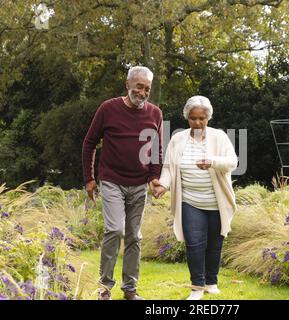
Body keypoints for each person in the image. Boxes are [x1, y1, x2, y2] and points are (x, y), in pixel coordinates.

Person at [82, 66, 163, 300]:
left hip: (139, 183)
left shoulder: (155, 113)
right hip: (112, 180)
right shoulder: (108, 108)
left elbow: (157, 149)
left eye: (147, 89)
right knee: (115, 229)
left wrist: (154, 177)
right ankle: (104, 288)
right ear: (127, 84)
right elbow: (89, 143)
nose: (143, 92)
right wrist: (89, 178)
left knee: (134, 236)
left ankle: (130, 290)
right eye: (139, 87)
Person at [152, 95, 238, 300]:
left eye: (202, 118)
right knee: (194, 242)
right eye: (193, 118)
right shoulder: (178, 139)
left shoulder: (219, 137)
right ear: (187, 118)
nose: (198, 122)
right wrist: (163, 185)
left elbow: (232, 161)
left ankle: (211, 282)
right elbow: (169, 168)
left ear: (208, 117)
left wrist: (212, 161)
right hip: (189, 200)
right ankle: (197, 287)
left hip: (216, 201)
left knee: (215, 243)